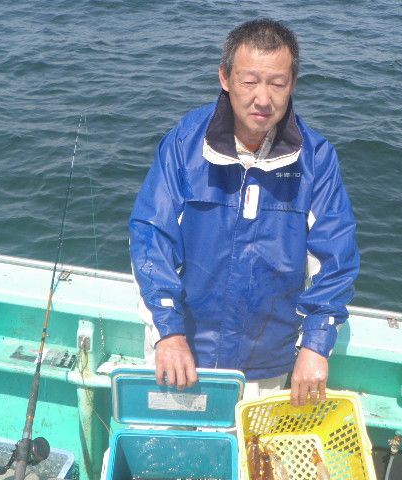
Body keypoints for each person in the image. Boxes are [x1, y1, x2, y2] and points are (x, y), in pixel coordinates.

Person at [129, 19, 359, 407]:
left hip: (267, 360)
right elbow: (151, 237)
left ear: (293, 83)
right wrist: (168, 333)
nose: (262, 99)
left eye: (277, 83)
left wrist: (316, 346)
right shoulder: (185, 143)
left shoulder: (317, 159)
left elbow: (336, 259)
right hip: (182, 348)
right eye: (249, 81)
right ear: (225, 77)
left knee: (251, 445)